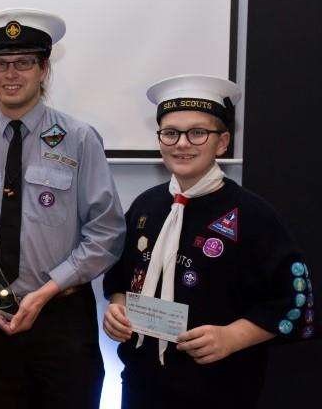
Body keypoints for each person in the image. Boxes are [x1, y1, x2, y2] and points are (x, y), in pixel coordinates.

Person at [102, 75, 315, 408]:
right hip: (142, 384)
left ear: (223, 142)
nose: (182, 143)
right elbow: (120, 278)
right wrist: (117, 308)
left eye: (197, 132)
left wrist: (232, 337)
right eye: (170, 133)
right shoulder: (145, 207)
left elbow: (295, 301)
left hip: (220, 388)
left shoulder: (254, 215)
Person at [0, 8, 126, 409]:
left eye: (24, 62)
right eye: (0, 64)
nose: (11, 74)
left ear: (44, 68)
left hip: (62, 319)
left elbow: (106, 232)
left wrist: (46, 291)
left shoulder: (80, 140)